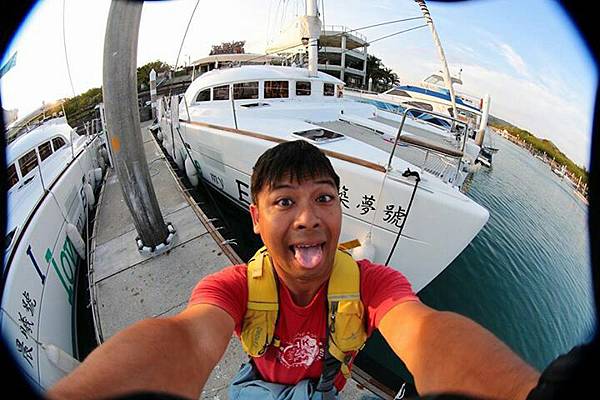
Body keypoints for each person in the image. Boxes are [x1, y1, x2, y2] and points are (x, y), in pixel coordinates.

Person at [48, 140, 540, 400]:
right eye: (285, 202)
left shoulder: (373, 284)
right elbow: (187, 339)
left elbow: (424, 333)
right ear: (256, 219)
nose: (308, 217)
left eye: (324, 198)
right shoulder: (235, 287)